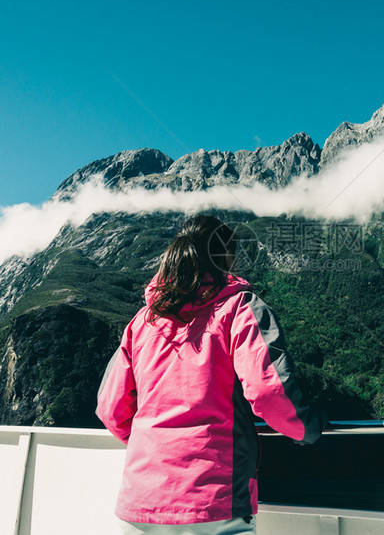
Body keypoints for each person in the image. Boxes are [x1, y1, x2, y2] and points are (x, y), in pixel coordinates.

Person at [97, 215, 327, 534]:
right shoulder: (239, 308)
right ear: (225, 259)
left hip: (141, 503)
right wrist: (307, 427)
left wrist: (154, 445)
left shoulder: (142, 321)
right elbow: (268, 392)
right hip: (212, 501)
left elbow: (111, 410)